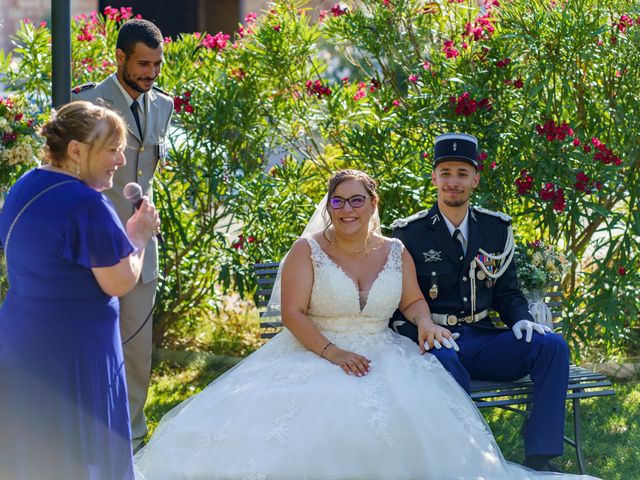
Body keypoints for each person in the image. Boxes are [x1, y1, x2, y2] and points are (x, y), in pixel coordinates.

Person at [133, 169, 595, 480]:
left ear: (373, 203)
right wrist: (333, 354)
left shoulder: (395, 250)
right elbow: (293, 314)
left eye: (357, 200)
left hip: (383, 348)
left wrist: (425, 324)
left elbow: (414, 300)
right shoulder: (307, 250)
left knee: (414, 404)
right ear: (329, 205)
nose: (347, 209)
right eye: (338, 201)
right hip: (317, 351)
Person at [390, 133, 571, 472]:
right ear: (434, 178)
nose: (453, 182)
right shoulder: (409, 233)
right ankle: (463, 457)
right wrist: (421, 328)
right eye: (445, 173)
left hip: (482, 337)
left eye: (461, 173)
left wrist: (519, 318)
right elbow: (400, 299)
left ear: (475, 178)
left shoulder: (495, 227)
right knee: (446, 366)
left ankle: (541, 456)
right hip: (435, 339)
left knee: (552, 347)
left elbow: (507, 291)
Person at [0, 101, 160, 479]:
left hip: (21, 342)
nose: (120, 161)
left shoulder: (24, 185)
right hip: (73, 354)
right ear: (76, 151)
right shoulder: (87, 204)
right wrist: (137, 236)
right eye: (112, 149)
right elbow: (120, 281)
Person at [72, 18, 173, 451]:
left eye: (157, 64)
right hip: (93, 244)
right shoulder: (88, 105)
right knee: (89, 343)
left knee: (136, 348)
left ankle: (131, 436)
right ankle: (86, 434)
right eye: (143, 63)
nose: (151, 73)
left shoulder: (163, 105)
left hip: (139, 247)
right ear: (120, 58)